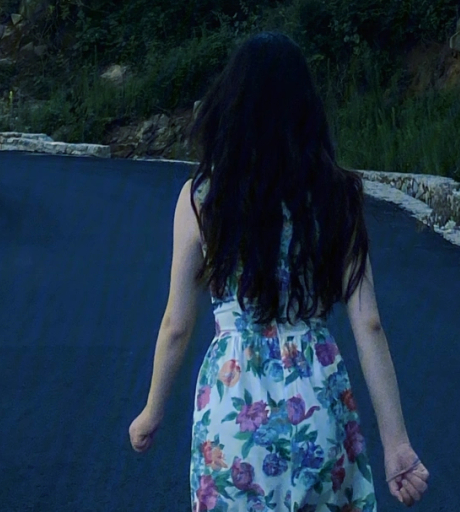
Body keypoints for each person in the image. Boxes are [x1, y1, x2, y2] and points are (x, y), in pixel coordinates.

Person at [129, 31, 430, 509]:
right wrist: (398, 446)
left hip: (233, 404)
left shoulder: (201, 198)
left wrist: (151, 412)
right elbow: (368, 323)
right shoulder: (338, 195)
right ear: (306, 110)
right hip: (318, 396)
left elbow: (176, 326)